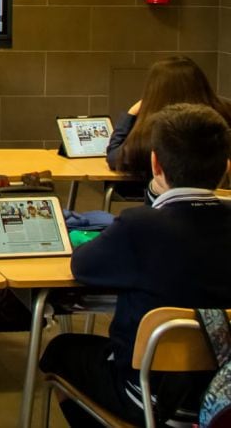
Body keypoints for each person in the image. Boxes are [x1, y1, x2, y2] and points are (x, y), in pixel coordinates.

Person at [40, 103, 231, 426]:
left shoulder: (141, 226)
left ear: (155, 163)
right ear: (226, 167)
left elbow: (82, 266)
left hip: (150, 396)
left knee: (60, 351)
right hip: (220, 394)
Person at [106, 56, 231, 200]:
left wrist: (130, 114)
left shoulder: (152, 129)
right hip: (220, 206)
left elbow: (115, 158)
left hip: (165, 206)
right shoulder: (223, 116)